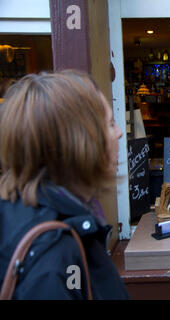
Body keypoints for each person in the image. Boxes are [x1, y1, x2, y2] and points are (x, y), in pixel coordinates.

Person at [0, 70, 129, 299]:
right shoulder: (53, 259)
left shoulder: (27, 211)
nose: (119, 133)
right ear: (78, 142)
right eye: (109, 124)